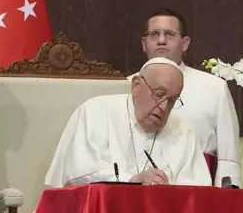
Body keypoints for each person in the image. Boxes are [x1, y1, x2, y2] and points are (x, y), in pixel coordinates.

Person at [44, 57, 212, 187]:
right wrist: (134, 180)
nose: (163, 107)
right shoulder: (96, 110)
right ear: (137, 85)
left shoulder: (182, 130)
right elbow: (79, 173)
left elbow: (197, 190)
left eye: (172, 101)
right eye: (159, 94)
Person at [132, 9, 243, 187]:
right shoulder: (128, 86)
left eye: (169, 34)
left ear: (185, 43)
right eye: (154, 34)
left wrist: (228, 198)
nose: (161, 40)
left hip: (196, 192)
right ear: (144, 44)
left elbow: (228, 157)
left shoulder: (214, 88)